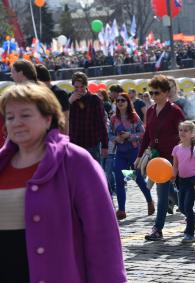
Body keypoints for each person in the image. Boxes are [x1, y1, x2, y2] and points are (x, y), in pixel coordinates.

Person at [0, 82, 126, 283]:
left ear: (47, 118)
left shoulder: (76, 162)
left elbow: (102, 237)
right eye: (10, 117)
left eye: (25, 115)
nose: (16, 122)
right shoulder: (2, 165)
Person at [136, 75, 184, 241]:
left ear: (166, 93)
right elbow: (147, 135)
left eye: (157, 92)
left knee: (162, 192)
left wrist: (182, 156)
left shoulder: (175, 111)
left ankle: (157, 228)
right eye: (152, 93)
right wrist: (140, 155)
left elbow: (184, 134)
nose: (154, 96)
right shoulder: (150, 111)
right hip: (155, 156)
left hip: (170, 156)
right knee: (170, 191)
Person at [109, 92, 154, 220]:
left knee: (138, 179)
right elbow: (110, 134)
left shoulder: (134, 117)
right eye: (118, 101)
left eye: (123, 100)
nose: (120, 102)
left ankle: (150, 201)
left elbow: (142, 134)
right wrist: (116, 138)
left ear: (128, 102)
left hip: (134, 153)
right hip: (121, 154)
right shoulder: (113, 118)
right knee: (119, 180)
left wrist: (130, 136)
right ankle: (122, 210)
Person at [171, 120, 195, 243]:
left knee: (188, 207)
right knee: (181, 207)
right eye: (181, 130)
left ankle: (189, 233)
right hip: (181, 181)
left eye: (186, 130)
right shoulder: (176, 148)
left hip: (193, 181)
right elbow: (175, 165)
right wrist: (173, 176)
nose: (182, 132)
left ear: (192, 134)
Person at [68, 72, 108, 162]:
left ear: (86, 85)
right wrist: (70, 101)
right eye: (76, 87)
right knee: (76, 175)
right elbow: (61, 116)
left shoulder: (95, 99)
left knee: (93, 174)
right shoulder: (69, 98)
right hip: (74, 144)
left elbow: (101, 123)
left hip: (92, 144)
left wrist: (105, 145)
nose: (79, 90)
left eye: (81, 87)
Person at [35, 64, 70, 134]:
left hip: (56, 140)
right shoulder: (37, 95)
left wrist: (63, 142)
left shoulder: (60, 94)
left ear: (38, 80)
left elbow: (65, 121)